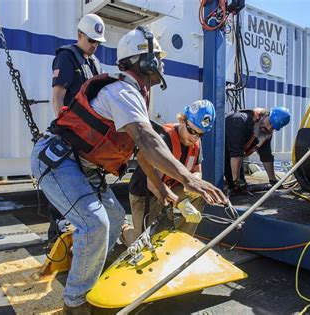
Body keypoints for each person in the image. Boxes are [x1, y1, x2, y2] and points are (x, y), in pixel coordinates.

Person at [31, 26, 228, 314]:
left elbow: (139, 151)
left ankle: (89, 271)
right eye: (157, 58)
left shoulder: (134, 95)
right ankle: (76, 301)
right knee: (95, 223)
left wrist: (163, 191)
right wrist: (188, 180)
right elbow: (147, 141)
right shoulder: (122, 90)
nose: (161, 64)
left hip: (80, 165)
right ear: (144, 60)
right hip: (58, 161)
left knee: (111, 217)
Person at [47, 13, 106, 241]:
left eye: (97, 43)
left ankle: (86, 234)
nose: (94, 46)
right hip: (71, 133)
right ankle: (58, 237)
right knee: (66, 183)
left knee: (87, 184)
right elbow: (58, 95)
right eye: (91, 40)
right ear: (79, 34)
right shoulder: (67, 57)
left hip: (89, 136)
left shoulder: (94, 63)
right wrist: (62, 127)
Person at [127, 100, 216, 242]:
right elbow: (153, 184)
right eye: (192, 131)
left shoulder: (195, 142)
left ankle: (180, 240)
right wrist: (178, 202)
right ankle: (124, 231)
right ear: (182, 120)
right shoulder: (164, 139)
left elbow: (197, 172)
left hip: (171, 187)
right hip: (146, 192)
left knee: (200, 194)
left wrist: (192, 185)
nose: (194, 137)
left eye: (200, 134)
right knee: (142, 243)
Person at [224, 107, 290, 193]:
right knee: (233, 186)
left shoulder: (265, 132)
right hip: (216, 153)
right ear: (265, 115)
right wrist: (236, 181)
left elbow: (266, 155)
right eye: (269, 122)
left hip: (234, 157)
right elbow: (236, 153)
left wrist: (273, 180)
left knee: (240, 187)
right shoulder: (239, 120)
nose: (269, 128)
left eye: (273, 127)